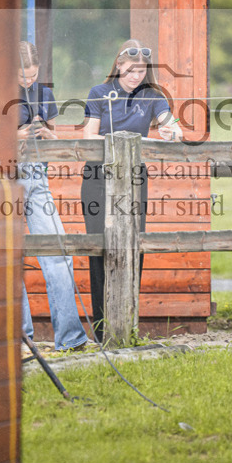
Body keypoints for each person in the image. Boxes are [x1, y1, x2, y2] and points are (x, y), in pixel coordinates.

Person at [80, 39, 181, 343]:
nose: (136, 75)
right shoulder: (98, 93)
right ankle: (101, 329)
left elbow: (175, 128)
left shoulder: (153, 96)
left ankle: (128, 324)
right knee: (100, 249)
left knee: (133, 246)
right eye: (131, 69)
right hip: (98, 177)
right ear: (119, 65)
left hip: (134, 178)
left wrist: (169, 131)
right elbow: (89, 134)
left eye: (142, 70)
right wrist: (119, 142)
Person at [9, 41, 90, 352]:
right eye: (22, 76)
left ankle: (69, 338)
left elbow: (55, 136)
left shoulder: (45, 93)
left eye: (32, 75)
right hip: (8, 177)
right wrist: (16, 135)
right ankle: (21, 339)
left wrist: (47, 134)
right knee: (11, 257)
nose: (28, 81)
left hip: (37, 177)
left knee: (58, 252)